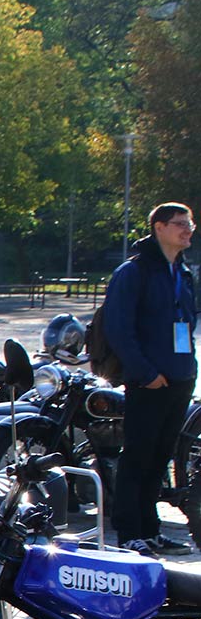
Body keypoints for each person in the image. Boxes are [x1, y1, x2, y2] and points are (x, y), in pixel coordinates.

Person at [104, 202, 197, 556]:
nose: (188, 230)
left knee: (160, 458)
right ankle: (129, 533)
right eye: (179, 224)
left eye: (190, 223)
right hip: (150, 381)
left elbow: (188, 322)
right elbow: (118, 328)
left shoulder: (183, 272)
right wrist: (145, 372)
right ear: (158, 227)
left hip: (180, 378)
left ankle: (151, 529)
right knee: (138, 457)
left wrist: (188, 367)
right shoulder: (134, 271)